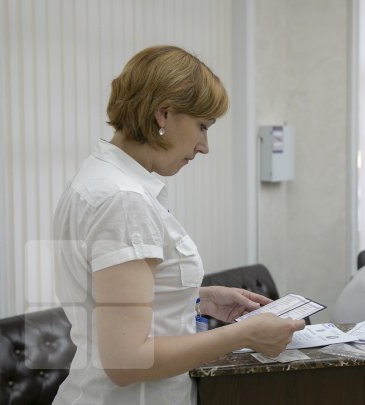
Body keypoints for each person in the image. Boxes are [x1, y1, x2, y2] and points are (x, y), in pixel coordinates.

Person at [52, 45, 305, 405]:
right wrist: (244, 334)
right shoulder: (124, 200)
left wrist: (196, 299)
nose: (204, 146)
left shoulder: (101, 179)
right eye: (202, 126)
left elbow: (108, 302)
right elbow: (127, 361)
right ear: (164, 114)